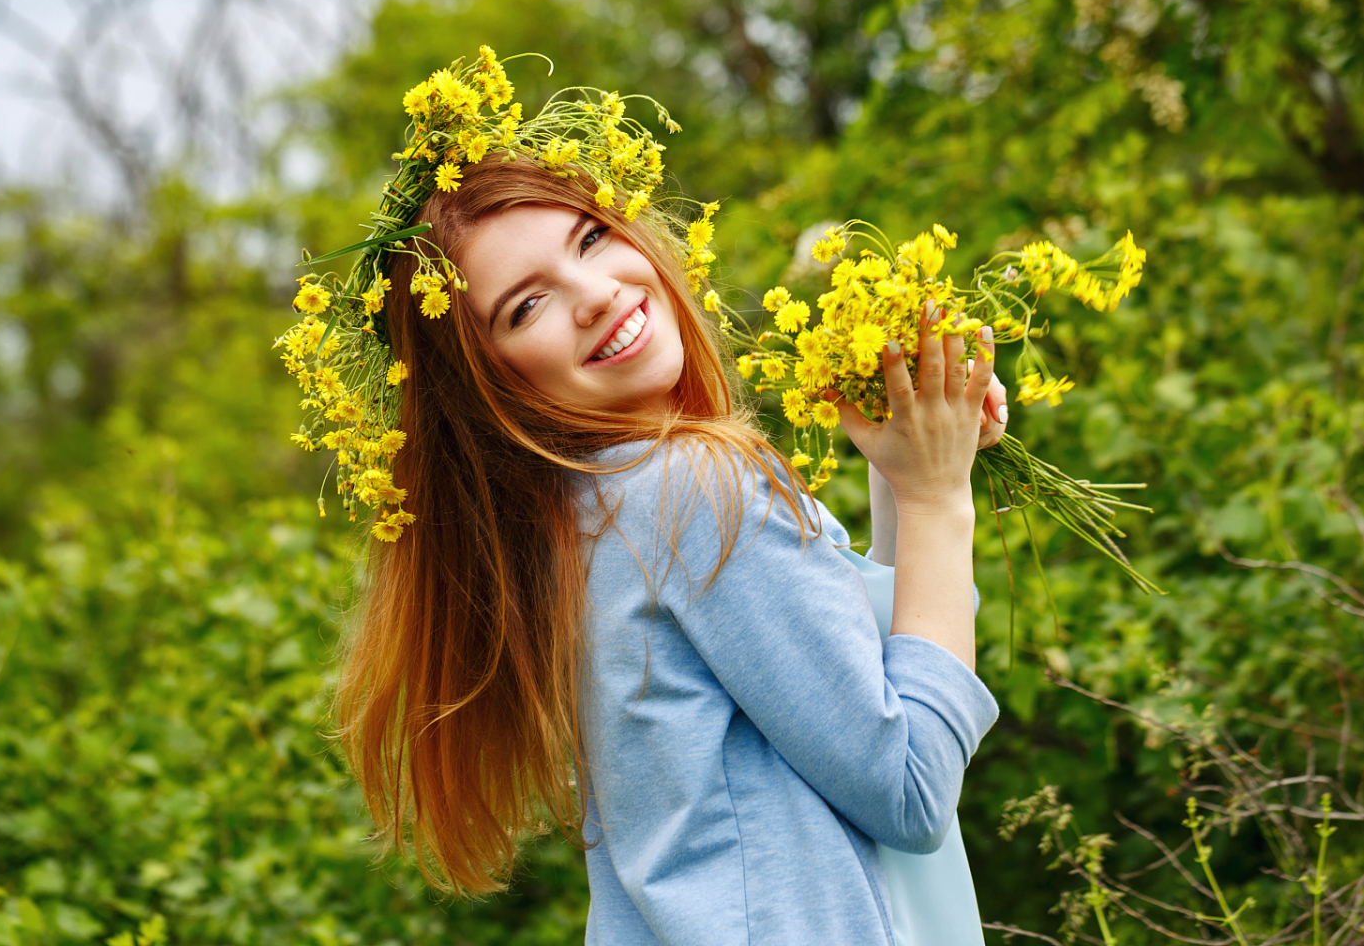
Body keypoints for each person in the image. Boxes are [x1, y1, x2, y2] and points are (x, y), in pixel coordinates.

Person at [308, 54, 1004, 945]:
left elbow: (840, 690)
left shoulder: (586, 516)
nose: (596, 297)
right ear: (490, 384)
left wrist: (909, 462)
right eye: (528, 308)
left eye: (591, 239)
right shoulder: (687, 492)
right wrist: (940, 501)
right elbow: (908, 787)